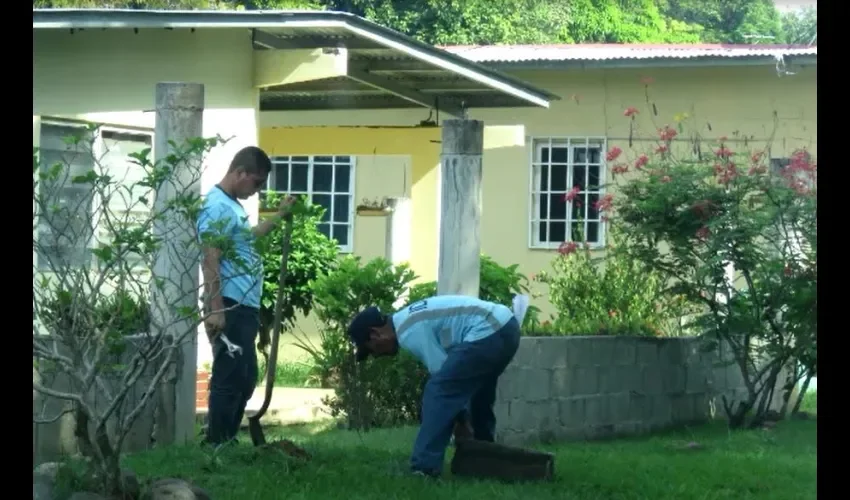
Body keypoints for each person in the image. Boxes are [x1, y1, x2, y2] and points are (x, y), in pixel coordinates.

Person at [346, 294, 527, 478]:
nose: (375, 356)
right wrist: (462, 418)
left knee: (437, 391)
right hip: (506, 327)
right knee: (479, 394)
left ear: (376, 334)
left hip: (489, 330)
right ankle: (483, 459)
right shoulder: (409, 318)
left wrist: (461, 420)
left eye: (370, 349)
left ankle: (424, 468)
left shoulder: (408, 330)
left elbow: (442, 378)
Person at [197, 145, 295, 447]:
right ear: (240, 173)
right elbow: (210, 258)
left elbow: (248, 239)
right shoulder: (216, 206)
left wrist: (279, 215)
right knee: (230, 376)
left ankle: (224, 439)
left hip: (243, 306)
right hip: (229, 304)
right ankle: (218, 443)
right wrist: (216, 310)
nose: (257, 190)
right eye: (257, 182)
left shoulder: (233, 207)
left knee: (246, 377)